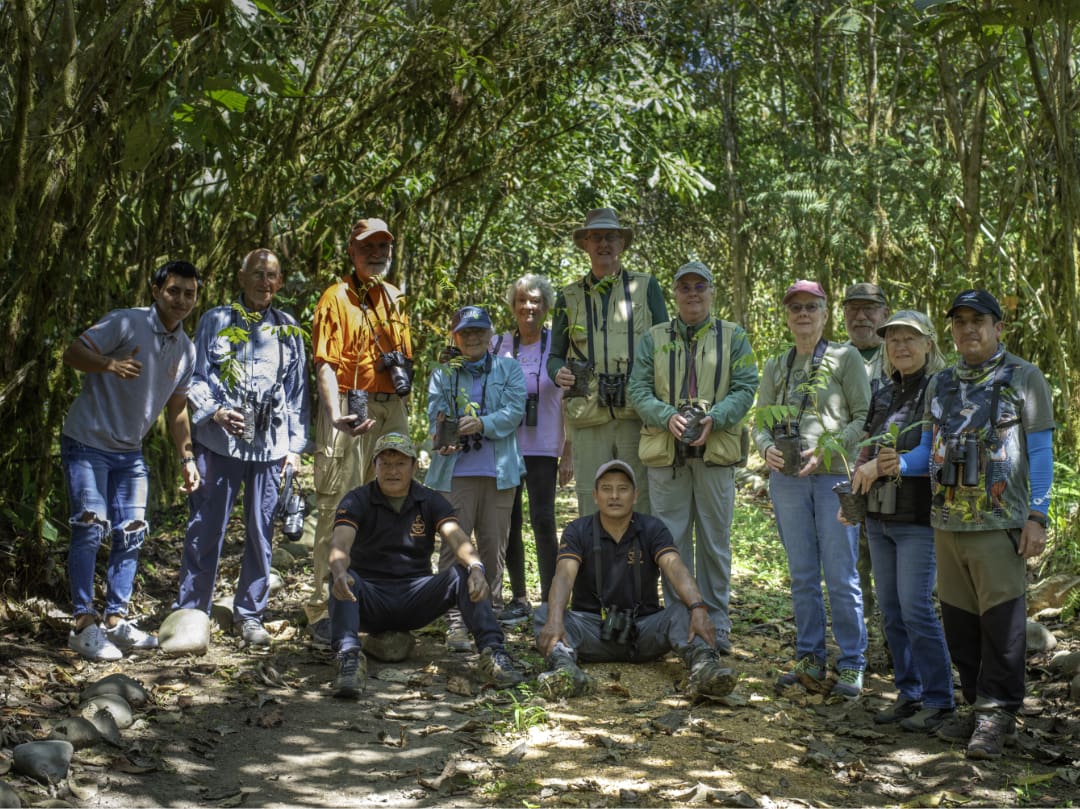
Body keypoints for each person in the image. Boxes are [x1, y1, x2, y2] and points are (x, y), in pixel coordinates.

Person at [917, 289, 1053, 759]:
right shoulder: (941, 383)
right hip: (947, 520)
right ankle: (976, 706)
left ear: (998, 327)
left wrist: (1038, 515)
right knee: (960, 623)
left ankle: (999, 715)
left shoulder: (1024, 376)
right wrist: (884, 464)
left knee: (1003, 623)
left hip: (1000, 521)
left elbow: (1039, 452)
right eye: (960, 321)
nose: (969, 329)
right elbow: (927, 449)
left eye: (979, 320)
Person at [60, 260, 202, 661]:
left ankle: (115, 620)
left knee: (132, 531)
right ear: (156, 291)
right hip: (87, 442)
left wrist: (186, 457)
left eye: (189, 294)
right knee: (89, 527)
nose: (181, 300)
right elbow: (73, 352)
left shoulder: (186, 348)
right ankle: (83, 623)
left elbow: (177, 409)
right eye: (174, 291)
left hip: (129, 452)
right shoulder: (126, 323)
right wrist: (108, 363)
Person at [174, 249, 310, 648]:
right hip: (218, 444)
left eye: (271, 275)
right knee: (205, 528)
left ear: (280, 282)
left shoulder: (288, 329)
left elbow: (297, 394)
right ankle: (191, 612)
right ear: (241, 275)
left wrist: (296, 449)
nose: (263, 282)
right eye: (256, 273)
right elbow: (195, 378)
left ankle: (250, 613)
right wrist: (215, 412)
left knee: (261, 530)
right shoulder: (215, 320)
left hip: (270, 447)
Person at [327, 433, 524, 697]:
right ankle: (349, 658)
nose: (392, 471)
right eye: (385, 463)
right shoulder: (357, 499)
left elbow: (457, 538)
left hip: (415, 597)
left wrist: (477, 568)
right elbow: (340, 545)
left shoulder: (429, 500)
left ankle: (493, 652)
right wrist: (339, 571)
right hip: (368, 597)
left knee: (464, 572)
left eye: (400, 464)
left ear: (414, 467)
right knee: (342, 575)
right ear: (374, 467)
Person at [628, 261, 758, 653]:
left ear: (712, 291)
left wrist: (715, 418)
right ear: (675, 293)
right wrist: (667, 416)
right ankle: (681, 622)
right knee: (672, 542)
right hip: (667, 454)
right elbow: (638, 389)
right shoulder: (653, 338)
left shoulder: (733, 337)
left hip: (715, 451)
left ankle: (717, 623)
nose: (693, 293)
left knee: (715, 542)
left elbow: (746, 385)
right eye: (684, 287)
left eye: (700, 286)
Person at [752, 279, 871, 699]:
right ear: (786, 316)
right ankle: (809, 656)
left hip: (835, 479)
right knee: (802, 575)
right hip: (787, 482)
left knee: (840, 575)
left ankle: (852, 661)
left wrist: (828, 446)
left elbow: (864, 416)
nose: (803, 314)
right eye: (795, 308)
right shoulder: (777, 365)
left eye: (811, 307)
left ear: (824, 314)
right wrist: (766, 448)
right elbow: (760, 423)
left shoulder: (845, 357)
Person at [533, 460, 736, 701]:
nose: (615, 496)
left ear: (635, 495)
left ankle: (705, 670)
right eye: (607, 489)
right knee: (545, 613)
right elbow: (564, 575)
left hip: (643, 630)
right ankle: (565, 671)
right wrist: (555, 619)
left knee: (685, 611)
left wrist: (698, 607)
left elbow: (675, 568)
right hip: (593, 628)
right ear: (595, 496)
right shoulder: (578, 530)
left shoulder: (652, 528)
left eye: (623, 488)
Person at [841, 310, 954, 731]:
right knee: (890, 609)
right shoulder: (884, 392)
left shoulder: (938, 388)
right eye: (893, 340)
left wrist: (895, 465)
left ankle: (940, 700)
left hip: (917, 518)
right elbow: (867, 448)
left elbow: (931, 451)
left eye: (910, 338)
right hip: (878, 516)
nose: (901, 346)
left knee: (916, 608)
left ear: (929, 344)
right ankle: (909, 694)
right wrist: (855, 489)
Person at [306, 217, 412, 646]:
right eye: (368, 246)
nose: (377, 253)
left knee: (391, 507)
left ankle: (372, 599)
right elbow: (325, 363)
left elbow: (401, 359)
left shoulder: (395, 297)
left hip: (392, 407)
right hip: (349, 407)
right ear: (351, 249)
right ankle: (321, 609)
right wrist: (334, 414)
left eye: (383, 246)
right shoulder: (335, 298)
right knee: (338, 508)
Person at [547, 208, 668, 517]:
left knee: (638, 496)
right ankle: (596, 563)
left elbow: (668, 345)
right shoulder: (569, 297)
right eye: (596, 237)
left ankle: (639, 563)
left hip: (636, 413)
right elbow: (556, 355)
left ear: (622, 243)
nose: (604, 244)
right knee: (591, 498)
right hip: (587, 414)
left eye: (611, 237)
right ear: (585, 244)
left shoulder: (646, 287)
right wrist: (557, 372)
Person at [427, 305, 526, 651]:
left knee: (493, 547)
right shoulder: (443, 373)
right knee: (454, 547)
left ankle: (490, 616)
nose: (473, 338)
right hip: (455, 473)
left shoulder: (508, 368)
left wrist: (483, 422)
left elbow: (515, 411)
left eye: (479, 332)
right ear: (455, 336)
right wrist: (441, 437)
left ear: (490, 335)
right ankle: (454, 620)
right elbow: (433, 415)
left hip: (500, 473)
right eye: (466, 333)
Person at [492, 275, 573, 623]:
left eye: (537, 301)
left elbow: (573, 400)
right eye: (523, 300)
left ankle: (550, 599)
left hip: (544, 447)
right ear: (513, 306)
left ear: (547, 307)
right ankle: (519, 598)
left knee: (543, 519)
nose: (529, 307)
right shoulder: (497, 344)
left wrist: (569, 450)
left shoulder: (559, 346)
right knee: (508, 521)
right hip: (505, 445)